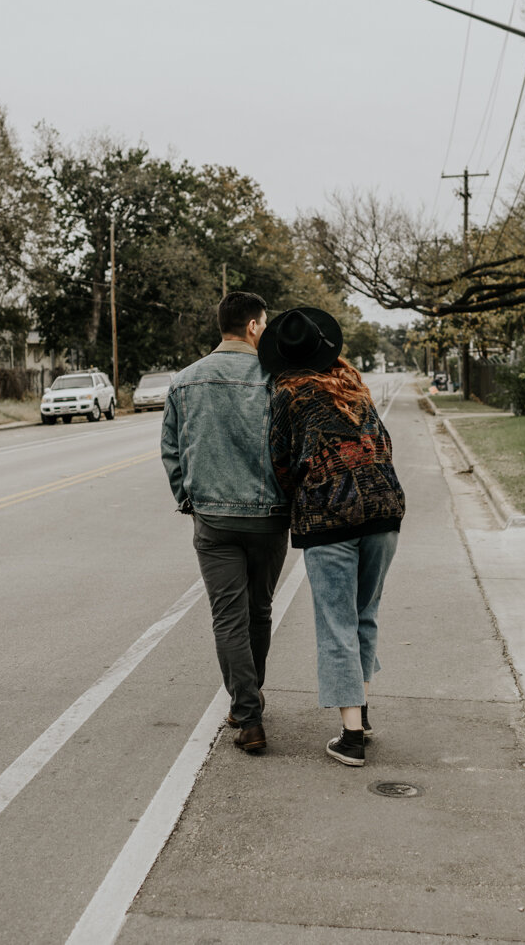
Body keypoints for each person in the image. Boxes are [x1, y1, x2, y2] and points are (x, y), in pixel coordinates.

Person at [263, 307, 405, 767]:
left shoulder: (287, 395)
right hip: (384, 510)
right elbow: (382, 444)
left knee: (336, 623)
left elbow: (280, 462)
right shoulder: (354, 387)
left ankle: (351, 738)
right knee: (365, 614)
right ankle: (360, 713)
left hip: (330, 518)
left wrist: (300, 492)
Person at [160, 291, 290, 755]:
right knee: (259, 611)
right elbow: (291, 446)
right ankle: (248, 701)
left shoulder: (184, 382)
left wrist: (188, 498)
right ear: (254, 326)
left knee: (228, 619)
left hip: (213, 520)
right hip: (270, 518)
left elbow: (171, 451)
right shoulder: (277, 380)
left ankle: (248, 714)